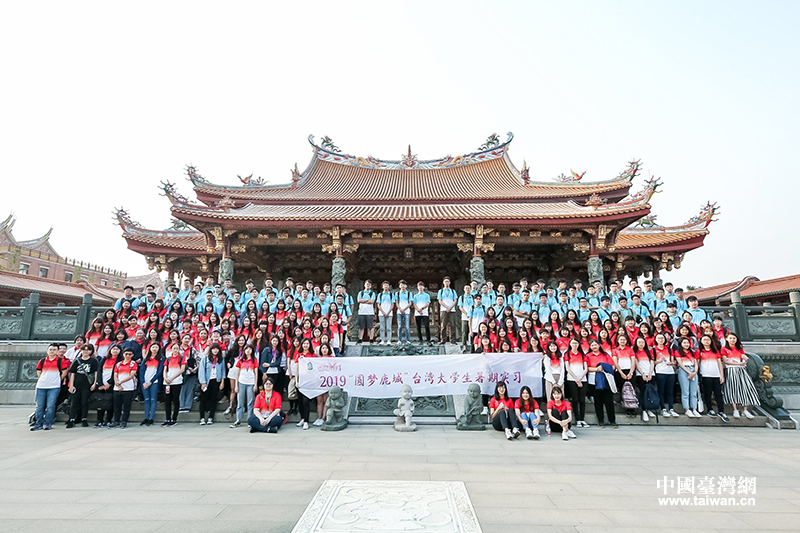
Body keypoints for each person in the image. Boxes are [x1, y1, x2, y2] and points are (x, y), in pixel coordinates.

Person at [31, 343, 69, 431]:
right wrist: (44, 379)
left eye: (54, 350)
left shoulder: (60, 361)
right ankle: (39, 423)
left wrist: (57, 379)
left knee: (50, 406)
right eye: (50, 350)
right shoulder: (42, 361)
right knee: (40, 406)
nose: (52, 351)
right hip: (41, 386)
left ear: (57, 351)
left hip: (54, 387)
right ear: (47, 351)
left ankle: (48, 423)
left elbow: (64, 372)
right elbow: (39, 372)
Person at [721, 332, 759, 419]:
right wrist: (738, 363)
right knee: (733, 389)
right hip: (731, 370)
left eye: (734, 338)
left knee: (746, 388)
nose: (732, 340)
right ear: (727, 339)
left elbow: (744, 358)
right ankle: (735, 410)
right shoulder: (724, 349)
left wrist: (745, 360)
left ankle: (745, 410)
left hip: (741, 370)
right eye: (730, 338)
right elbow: (725, 361)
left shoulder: (739, 348)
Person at [66, 344, 98, 428]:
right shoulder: (77, 360)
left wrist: (94, 383)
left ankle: (84, 419)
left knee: (84, 402)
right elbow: (72, 373)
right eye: (84, 350)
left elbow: (95, 373)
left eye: (88, 350)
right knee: (74, 403)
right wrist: (71, 385)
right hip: (76, 384)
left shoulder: (93, 361)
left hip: (87, 385)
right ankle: (72, 419)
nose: (85, 352)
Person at [698, 334, 729, 422]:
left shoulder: (715, 351)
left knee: (718, 393)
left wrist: (721, 375)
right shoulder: (699, 352)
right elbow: (698, 363)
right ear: (701, 341)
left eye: (708, 340)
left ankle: (721, 411)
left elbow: (719, 364)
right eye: (704, 340)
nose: (706, 341)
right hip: (705, 375)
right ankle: (709, 409)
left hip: (716, 374)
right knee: (707, 393)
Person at [198, 342, 226, 425]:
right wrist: (203, 383)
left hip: (216, 380)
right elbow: (201, 371)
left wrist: (222, 382)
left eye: (217, 349)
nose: (215, 350)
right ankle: (202, 418)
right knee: (203, 399)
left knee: (213, 399)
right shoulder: (205, 359)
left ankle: (211, 417)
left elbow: (223, 371)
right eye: (213, 349)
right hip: (207, 381)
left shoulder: (221, 359)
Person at [231, 345, 258, 428]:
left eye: (250, 349)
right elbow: (237, 374)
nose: (248, 351)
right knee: (240, 402)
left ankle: (250, 420)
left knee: (250, 402)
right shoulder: (240, 360)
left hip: (251, 383)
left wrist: (255, 384)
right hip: (241, 382)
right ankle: (238, 419)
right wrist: (236, 385)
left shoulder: (254, 360)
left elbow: (256, 373)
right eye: (246, 349)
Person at [563, 338, 588, 428]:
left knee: (582, 400)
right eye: (573, 343)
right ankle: (577, 419)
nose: (574, 345)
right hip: (571, 379)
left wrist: (580, 378)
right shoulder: (567, 354)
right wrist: (576, 379)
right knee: (575, 399)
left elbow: (586, 368)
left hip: (583, 379)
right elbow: (567, 368)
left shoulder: (582, 354)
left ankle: (582, 419)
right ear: (570, 344)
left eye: (576, 343)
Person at [653, 333, 678, 417]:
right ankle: (663, 409)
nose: (661, 340)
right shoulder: (653, 349)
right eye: (659, 338)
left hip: (670, 372)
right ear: (656, 340)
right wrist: (659, 361)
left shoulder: (669, 349)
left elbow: (673, 361)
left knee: (670, 391)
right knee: (661, 391)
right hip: (660, 372)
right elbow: (652, 362)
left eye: (662, 338)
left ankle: (671, 409)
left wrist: (672, 363)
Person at [675, 336, 701, 418]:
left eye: (688, 343)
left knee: (694, 392)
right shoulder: (678, 352)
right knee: (685, 391)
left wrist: (695, 372)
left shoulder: (692, 352)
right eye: (684, 343)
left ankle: (694, 409)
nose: (686, 344)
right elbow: (680, 364)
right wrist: (689, 372)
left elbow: (696, 363)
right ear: (681, 344)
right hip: (684, 371)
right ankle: (687, 409)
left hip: (693, 370)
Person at [112, 348, 138, 428]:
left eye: (129, 354)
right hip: (117, 388)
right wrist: (117, 383)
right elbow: (115, 374)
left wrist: (121, 382)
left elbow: (131, 375)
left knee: (126, 406)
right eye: (126, 354)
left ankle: (124, 421)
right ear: (123, 354)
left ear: (132, 355)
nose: (127, 356)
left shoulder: (133, 364)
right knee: (117, 406)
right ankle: (116, 420)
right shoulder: (118, 364)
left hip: (128, 388)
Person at [162, 344, 187, 427]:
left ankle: (174, 419)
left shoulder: (181, 358)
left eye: (177, 348)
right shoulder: (168, 359)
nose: (175, 350)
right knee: (167, 401)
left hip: (176, 382)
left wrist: (172, 378)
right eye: (174, 348)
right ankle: (167, 418)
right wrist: (165, 378)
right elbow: (165, 370)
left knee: (175, 400)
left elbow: (182, 369)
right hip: (167, 382)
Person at [139, 343, 163, 426]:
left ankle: (151, 418)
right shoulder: (146, 358)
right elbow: (141, 371)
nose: (154, 349)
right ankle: (146, 417)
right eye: (153, 347)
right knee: (146, 400)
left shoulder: (161, 359)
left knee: (153, 399)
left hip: (154, 382)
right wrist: (143, 382)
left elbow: (159, 372)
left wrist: (151, 381)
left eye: (156, 347)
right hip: (145, 382)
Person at [633, 336, 655, 422]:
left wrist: (650, 373)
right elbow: (636, 365)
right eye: (639, 342)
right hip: (640, 375)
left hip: (650, 374)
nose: (641, 344)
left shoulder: (649, 351)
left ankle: (649, 409)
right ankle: (644, 410)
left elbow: (652, 363)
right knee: (643, 393)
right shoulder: (635, 352)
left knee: (650, 392)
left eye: (642, 342)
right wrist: (642, 374)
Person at [437, 277, 458, 344]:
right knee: (443, 325)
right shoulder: (441, 291)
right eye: (445, 281)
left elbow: (455, 300)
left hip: (452, 310)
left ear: (450, 282)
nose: (447, 283)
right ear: (443, 282)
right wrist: (446, 307)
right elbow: (440, 301)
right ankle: (443, 339)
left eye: (448, 281)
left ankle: (453, 340)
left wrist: (450, 307)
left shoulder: (453, 291)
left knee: (452, 325)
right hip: (443, 309)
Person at [356, 280, 376, 344]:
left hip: (370, 312)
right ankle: (360, 339)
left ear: (371, 286)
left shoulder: (372, 293)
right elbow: (359, 300)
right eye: (367, 284)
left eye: (369, 284)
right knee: (361, 327)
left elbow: (372, 301)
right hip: (361, 312)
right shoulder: (361, 293)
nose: (368, 285)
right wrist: (367, 300)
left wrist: (363, 300)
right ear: (364, 285)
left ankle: (371, 339)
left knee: (370, 327)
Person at [395, 279, 413, 346]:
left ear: (406, 286)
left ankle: (408, 340)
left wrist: (404, 309)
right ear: (399, 286)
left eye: (404, 285)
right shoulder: (397, 293)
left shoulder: (409, 293)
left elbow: (410, 303)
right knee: (399, 326)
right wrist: (400, 309)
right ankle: (399, 340)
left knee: (407, 327)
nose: (402, 286)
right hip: (399, 312)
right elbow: (397, 302)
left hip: (407, 311)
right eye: (401, 285)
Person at [376, 281, 394, 345]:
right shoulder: (380, 295)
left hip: (389, 313)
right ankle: (382, 340)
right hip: (381, 313)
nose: (386, 286)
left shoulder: (391, 295)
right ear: (382, 287)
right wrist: (383, 312)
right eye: (384, 285)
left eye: (387, 285)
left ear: (389, 286)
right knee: (382, 328)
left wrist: (388, 312)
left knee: (389, 328)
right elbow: (378, 304)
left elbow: (392, 304)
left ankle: (389, 340)